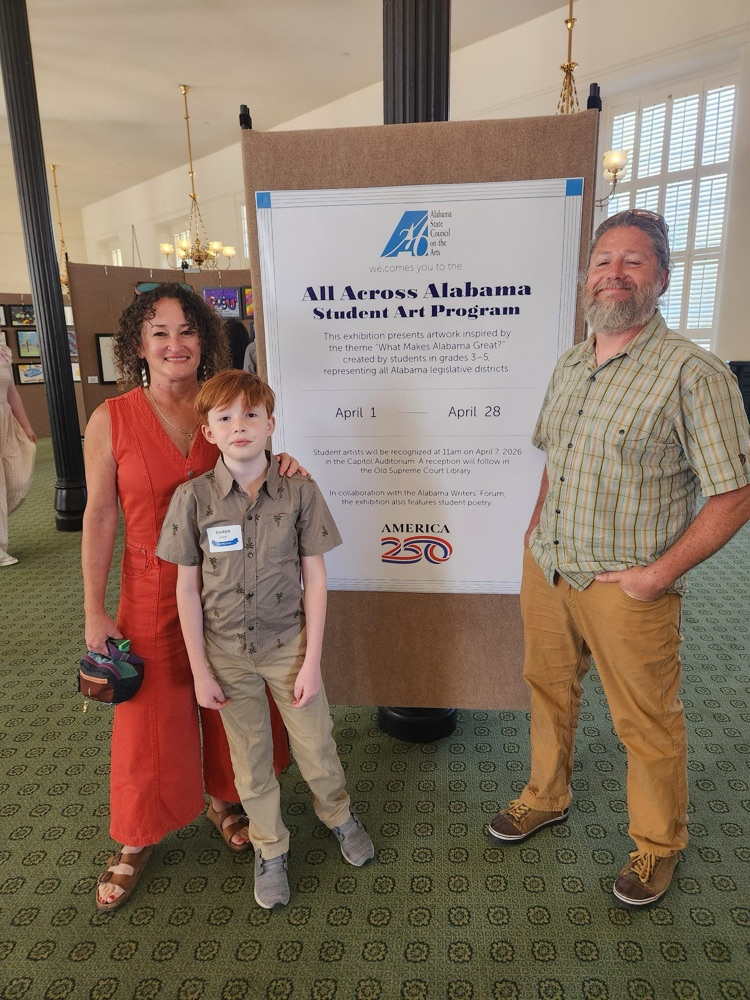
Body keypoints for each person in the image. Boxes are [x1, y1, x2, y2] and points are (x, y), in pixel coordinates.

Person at [488, 210, 750, 907]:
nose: (615, 272)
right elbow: (554, 457)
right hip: (549, 566)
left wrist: (659, 575)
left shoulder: (694, 374)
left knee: (647, 719)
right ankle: (545, 795)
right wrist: (533, 530)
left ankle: (658, 846)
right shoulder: (571, 362)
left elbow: (735, 494)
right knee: (547, 688)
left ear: (661, 278)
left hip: (629, 584)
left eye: (633, 261)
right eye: (604, 259)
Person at [82, 282, 297, 913]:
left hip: (230, 589)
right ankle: (136, 836)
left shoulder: (223, 404)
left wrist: (289, 468)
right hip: (149, 589)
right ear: (138, 347)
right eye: (160, 333)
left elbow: (258, 461)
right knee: (148, 715)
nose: (176, 344)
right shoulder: (111, 419)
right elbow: (99, 516)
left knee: (231, 696)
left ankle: (227, 797)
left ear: (205, 339)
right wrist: (95, 609)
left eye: (187, 331)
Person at [156, 369, 374, 910]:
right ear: (208, 431)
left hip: (289, 649)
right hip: (227, 657)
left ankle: (339, 816)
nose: (240, 426)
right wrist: (201, 670)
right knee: (249, 759)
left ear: (271, 424)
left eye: (252, 415)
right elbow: (185, 590)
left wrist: (313, 662)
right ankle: (270, 846)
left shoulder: (299, 489)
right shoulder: (193, 500)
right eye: (225, 417)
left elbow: (316, 578)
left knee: (316, 744)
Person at [0, 341, 37, 566]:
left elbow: (12, 393)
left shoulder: (3, 350)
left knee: (16, 480)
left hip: (5, 425)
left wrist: (27, 426)